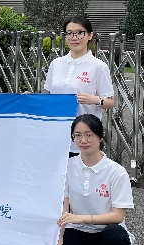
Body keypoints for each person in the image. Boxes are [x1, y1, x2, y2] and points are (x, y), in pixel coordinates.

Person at [52, 114, 134, 245]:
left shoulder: (116, 172)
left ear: (101, 135)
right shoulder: (67, 166)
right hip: (77, 228)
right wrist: (60, 238)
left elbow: (118, 216)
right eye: (77, 135)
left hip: (104, 230)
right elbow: (64, 205)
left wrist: (81, 218)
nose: (83, 140)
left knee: (117, 237)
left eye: (89, 135)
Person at [44, 15, 114, 156]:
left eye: (80, 32)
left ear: (89, 35)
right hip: (57, 133)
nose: (74, 37)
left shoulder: (98, 67)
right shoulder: (56, 64)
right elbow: (48, 98)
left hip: (84, 137)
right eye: (70, 33)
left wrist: (95, 100)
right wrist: (29, 99)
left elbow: (110, 102)